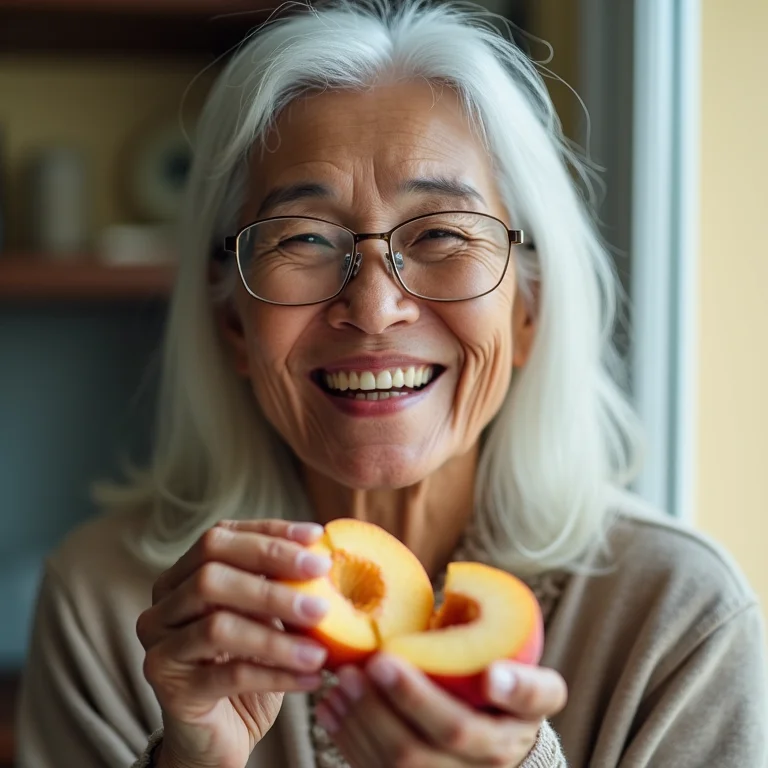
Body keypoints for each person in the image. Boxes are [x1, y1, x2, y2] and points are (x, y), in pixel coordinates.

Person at [16, 1, 768, 767]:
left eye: (440, 232)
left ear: (530, 306)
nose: (374, 308)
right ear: (234, 322)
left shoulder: (678, 619)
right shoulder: (109, 605)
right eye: (304, 239)